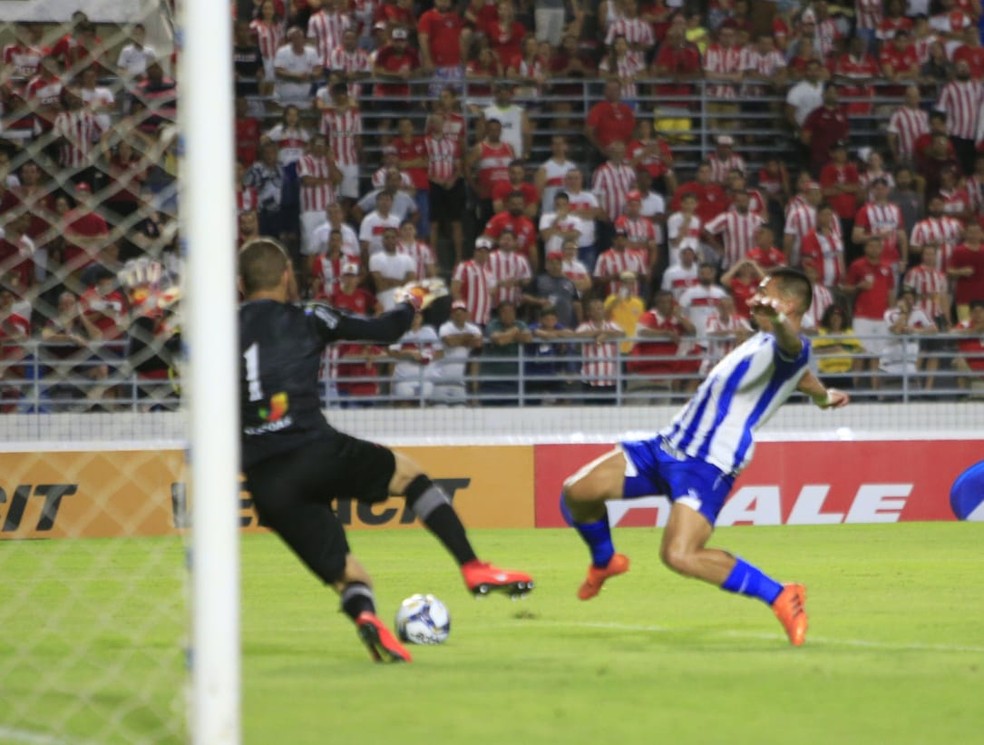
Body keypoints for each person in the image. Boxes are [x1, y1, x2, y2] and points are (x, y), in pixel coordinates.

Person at [238, 239, 533, 664]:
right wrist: (411, 300)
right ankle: (472, 565)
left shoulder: (217, 328)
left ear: (239, 285)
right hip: (313, 447)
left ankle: (367, 620)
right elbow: (385, 331)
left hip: (266, 481)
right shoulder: (311, 315)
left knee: (350, 576)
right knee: (409, 476)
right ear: (287, 276)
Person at [560, 267, 849, 647]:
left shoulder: (788, 342)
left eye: (765, 291)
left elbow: (794, 350)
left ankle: (781, 594)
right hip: (668, 444)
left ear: (789, 304)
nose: (755, 296)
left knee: (679, 555)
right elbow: (801, 375)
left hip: (707, 463)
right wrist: (823, 395)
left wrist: (778, 320)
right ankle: (605, 560)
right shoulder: (762, 342)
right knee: (577, 492)